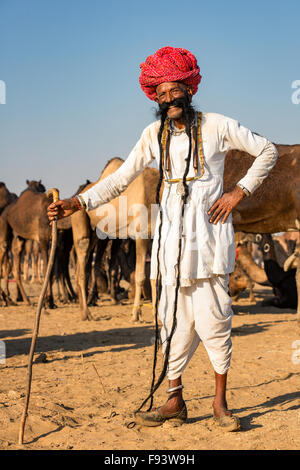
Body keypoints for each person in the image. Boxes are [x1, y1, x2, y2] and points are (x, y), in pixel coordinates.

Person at [47, 46, 278, 431]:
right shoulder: (152, 135)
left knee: (215, 321)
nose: (169, 98)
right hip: (169, 248)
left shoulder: (218, 126)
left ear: (189, 89)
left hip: (208, 244)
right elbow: (121, 179)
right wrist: (78, 201)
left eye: (175, 90)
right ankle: (175, 399)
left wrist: (239, 192)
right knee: (170, 323)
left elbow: (267, 150)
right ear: (154, 97)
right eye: (161, 93)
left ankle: (220, 404)